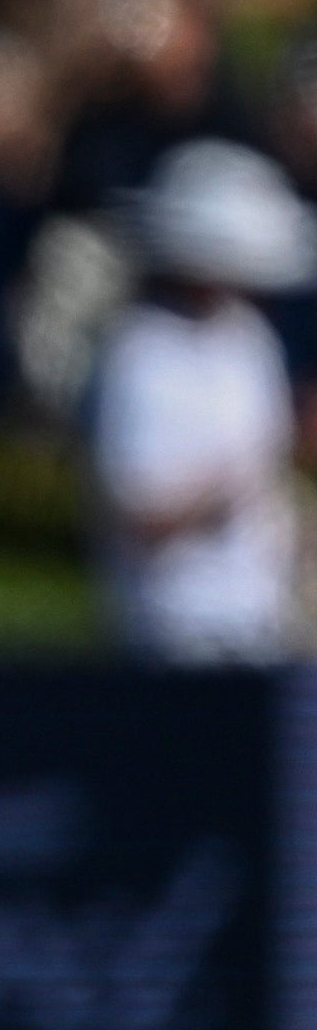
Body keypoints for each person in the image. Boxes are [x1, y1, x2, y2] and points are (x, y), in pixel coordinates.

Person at [92, 141, 307, 664]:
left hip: (260, 621)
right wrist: (223, 494)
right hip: (172, 626)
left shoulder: (250, 341)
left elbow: (274, 468)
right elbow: (136, 512)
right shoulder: (139, 353)